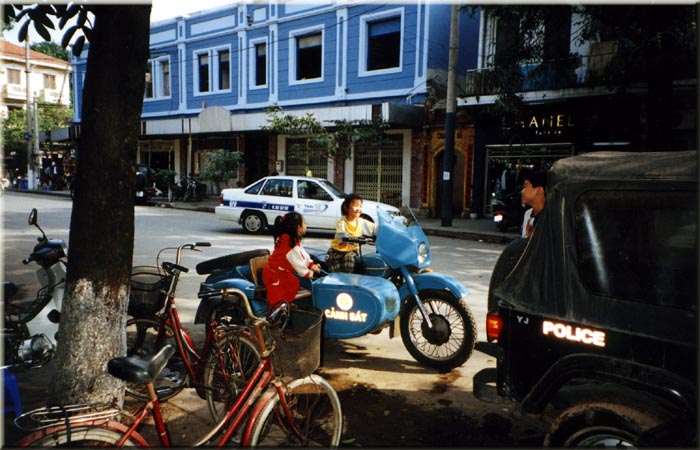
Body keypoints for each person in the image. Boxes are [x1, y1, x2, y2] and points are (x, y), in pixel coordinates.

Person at [262, 212, 321, 310]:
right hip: (275, 276)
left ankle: (286, 305)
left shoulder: (290, 239)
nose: (306, 225)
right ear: (298, 228)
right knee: (277, 296)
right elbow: (297, 262)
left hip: (281, 272)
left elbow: (303, 254)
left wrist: (311, 265)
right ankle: (277, 312)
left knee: (293, 283)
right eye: (304, 223)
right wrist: (307, 273)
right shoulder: (289, 244)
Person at [327, 193, 376, 273]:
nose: (359, 209)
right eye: (355, 205)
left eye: (360, 206)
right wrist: (346, 237)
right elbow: (340, 233)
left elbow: (374, 228)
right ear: (346, 207)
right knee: (336, 274)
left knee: (352, 259)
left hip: (351, 251)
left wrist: (384, 229)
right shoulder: (342, 222)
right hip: (337, 252)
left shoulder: (361, 222)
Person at [520, 170, 547, 238]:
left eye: (526, 186)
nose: (522, 191)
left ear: (538, 190)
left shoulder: (550, 216)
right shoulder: (528, 214)